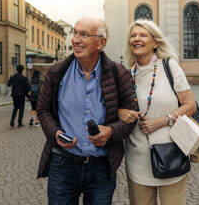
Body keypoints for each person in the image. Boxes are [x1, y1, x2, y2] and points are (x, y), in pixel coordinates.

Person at [36, 17, 136, 205]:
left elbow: (131, 117)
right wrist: (55, 133)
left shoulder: (118, 73)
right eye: (74, 32)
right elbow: (43, 110)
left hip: (101, 168)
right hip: (62, 165)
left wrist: (111, 132)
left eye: (83, 34)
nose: (75, 39)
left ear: (102, 42)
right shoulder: (57, 72)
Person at [118, 20, 197, 205]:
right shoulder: (126, 75)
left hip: (172, 153)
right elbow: (117, 108)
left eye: (143, 35)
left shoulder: (170, 67)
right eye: (133, 35)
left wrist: (163, 120)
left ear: (155, 42)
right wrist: (121, 112)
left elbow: (190, 106)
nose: (136, 39)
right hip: (138, 158)